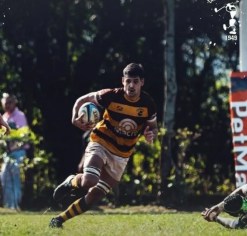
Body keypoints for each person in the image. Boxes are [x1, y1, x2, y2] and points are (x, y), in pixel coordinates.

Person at [49, 63, 158, 228]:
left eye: (135, 81)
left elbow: (153, 128)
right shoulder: (110, 95)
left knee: (94, 196)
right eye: (128, 81)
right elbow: (83, 99)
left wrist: (150, 134)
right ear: (123, 81)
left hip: (122, 155)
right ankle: (71, 181)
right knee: (89, 180)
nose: (131, 86)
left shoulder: (148, 104)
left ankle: (59, 220)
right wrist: (74, 118)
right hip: (101, 142)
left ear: (142, 82)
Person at [0, 93, 29, 210]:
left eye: (9, 102)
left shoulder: (20, 116)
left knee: (15, 180)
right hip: (6, 154)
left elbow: (24, 136)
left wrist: (14, 147)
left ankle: (15, 206)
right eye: (5, 103)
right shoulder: (4, 116)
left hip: (18, 152)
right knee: (4, 179)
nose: (7, 105)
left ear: (14, 103)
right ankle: (8, 206)